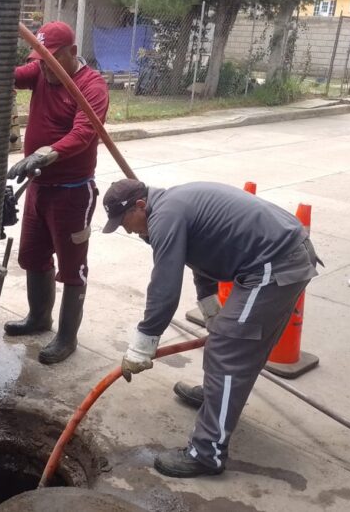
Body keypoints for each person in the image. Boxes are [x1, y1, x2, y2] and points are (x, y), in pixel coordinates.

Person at [100, 179, 319, 478]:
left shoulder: (165, 215)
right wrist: (210, 305)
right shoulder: (170, 206)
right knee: (233, 342)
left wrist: (143, 344)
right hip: (278, 256)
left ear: (140, 205)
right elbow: (201, 256)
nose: (128, 230)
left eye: (126, 222)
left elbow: (165, 286)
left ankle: (206, 454)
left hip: (275, 263)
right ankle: (217, 396)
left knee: (228, 350)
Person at [4, 21, 109, 365]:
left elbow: (83, 134)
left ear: (71, 53)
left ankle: (67, 338)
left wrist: (44, 154)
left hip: (73, 193)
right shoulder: (40, 72)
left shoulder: (91, 86)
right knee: (33, 256)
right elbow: (12, 75)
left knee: (72, 266)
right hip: (39, 188)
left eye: (50, 59)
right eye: (40, 59)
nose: (43, 66)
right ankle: (39, 318)